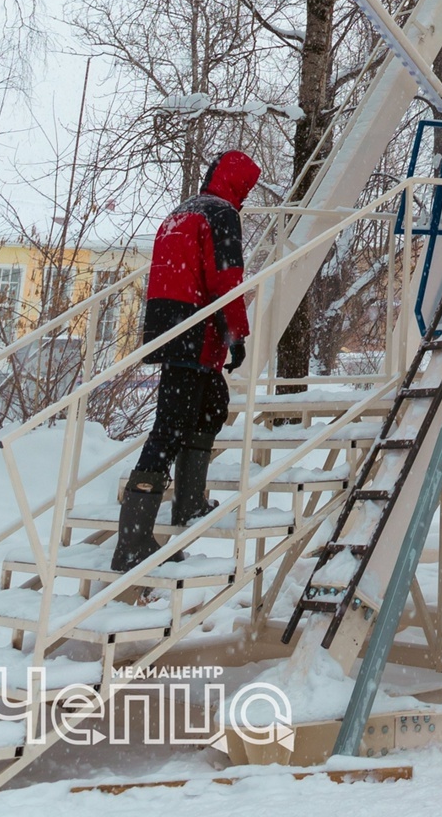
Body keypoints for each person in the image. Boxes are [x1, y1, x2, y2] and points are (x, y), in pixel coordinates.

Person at [112, 149, 261, 573]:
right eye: (247, 188)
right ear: (238, 184)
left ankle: (189, 503)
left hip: (169, 320)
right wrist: (236, 334)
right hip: (194, 326)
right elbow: (226, 279)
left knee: (212, 403)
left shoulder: (183, 211)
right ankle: (133, 540)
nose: (247, 197)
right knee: (170, 428)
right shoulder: (221, 215)